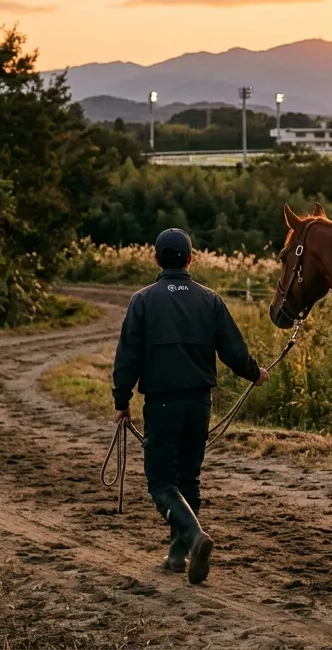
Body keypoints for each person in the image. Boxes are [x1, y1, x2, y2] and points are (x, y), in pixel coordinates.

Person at [112, 228, 270, 585]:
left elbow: (128, 357)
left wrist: (122, 401)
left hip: (162, 403)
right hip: (200, 403)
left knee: (161, 483)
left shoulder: (142, 301)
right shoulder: (210, 300)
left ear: (156, 259)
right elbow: (233, 350)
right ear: (190, 259)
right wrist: (254, 373)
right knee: (188, 478)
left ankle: (195, 538)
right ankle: (177, 555)